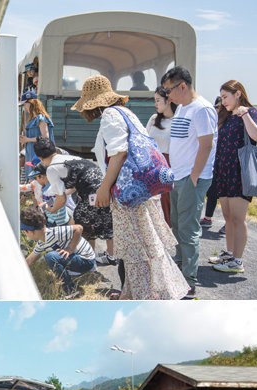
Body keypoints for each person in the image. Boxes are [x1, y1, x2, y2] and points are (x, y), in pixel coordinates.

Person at [71, 74, 189, 300]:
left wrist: (104, 189)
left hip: (127, 194)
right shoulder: (126, 113)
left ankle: (142, 296)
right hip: (140, 190)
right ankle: (137, 293)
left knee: (134, 252)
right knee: (145, 247)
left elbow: (119, 152)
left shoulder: (110, 115)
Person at [162, 66, 218, 298]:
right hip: (179, 175)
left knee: (188, 228)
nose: (168, 96)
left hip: (190, 178)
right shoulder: (184, 108)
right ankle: (180, 266)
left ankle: (188, 281)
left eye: (169, 91)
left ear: (182, 86)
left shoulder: (202, 109)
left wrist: (194, 175)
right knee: (177, 223)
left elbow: (207, 145)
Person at [33, 137, 116, 264]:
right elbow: (73, 186)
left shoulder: (51, 169)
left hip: (92, 192)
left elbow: (61, 200)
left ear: (40, 158)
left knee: (80, 220)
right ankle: (110, 256)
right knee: (103, 221)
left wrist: (51, 209)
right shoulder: (68, 158)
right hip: (104, 186)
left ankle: (81, 256)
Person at [209, 80, 257, 274]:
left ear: (238, 93)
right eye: (221, 97)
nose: (223, 101)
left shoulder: (250, 112)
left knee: (238, 218)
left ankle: (237, 261)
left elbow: (256, 136)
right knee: (228, 217)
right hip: (223, 172)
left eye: (225, 97)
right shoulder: (225, 115)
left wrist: (245, 115)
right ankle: (230, 253)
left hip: (240, 172)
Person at [21, 205, 96, 299]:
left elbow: (79, 228)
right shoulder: (42, 243)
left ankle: (70, 291)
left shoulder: (54, 232)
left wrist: (70, 249)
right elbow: (30, 259)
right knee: (50, 257)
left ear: (30, 231)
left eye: (24, 232)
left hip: (86, 260)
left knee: (50, 257)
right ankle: (69, 277)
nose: (25, 234)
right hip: (78, 259)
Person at [146, 86, 178, 227]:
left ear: (169, 100)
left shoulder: (178, 120)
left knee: (167, 203)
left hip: (170, 164)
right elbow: (145, 140)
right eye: (155, 100)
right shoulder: (153, 119)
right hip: (152, 164)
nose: (156, 104)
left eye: (158, 100)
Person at [200, 97, 224, 231]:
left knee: (223, 194)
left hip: (225, 162)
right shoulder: (213, 120)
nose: (217, 109)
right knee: (212, 191)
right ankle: (208, 217)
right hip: (213, 161)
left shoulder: (227, 121)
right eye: (216, 106)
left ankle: (227, 223)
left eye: (220, 106)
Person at [19, 91, 55, 178]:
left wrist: (27, 139)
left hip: (40, 155)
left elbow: (45, 137)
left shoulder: (41, 118)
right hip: (33, 154)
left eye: (25, 104)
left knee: (39, 178)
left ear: (31, 103)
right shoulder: (35, 119)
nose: (24, 107)